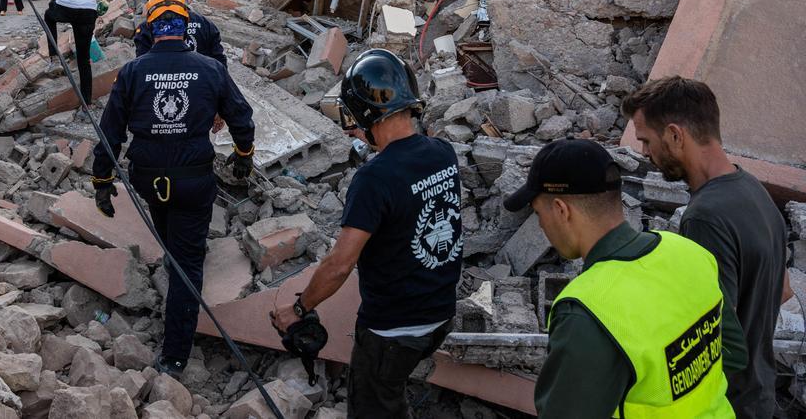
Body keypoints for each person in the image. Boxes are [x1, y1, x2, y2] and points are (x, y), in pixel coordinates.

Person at [271, 49, 462, 419]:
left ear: (368, 113)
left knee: (373, 407)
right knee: (391, 392)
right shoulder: (442, 153)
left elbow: (341, 264)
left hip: (393, 329)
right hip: (440, 314)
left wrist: (299, 309)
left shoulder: (375, 179)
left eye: (355, 119)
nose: (353, 128)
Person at [505, 138, 747, 418]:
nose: (542, 225)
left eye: (538, 213)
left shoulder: (587, 310)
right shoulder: (690, 253)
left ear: (561, 209)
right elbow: (734, 354)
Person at [92, 0, 255, 378]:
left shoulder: (133, 72)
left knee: (170, 231)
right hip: (193, 179)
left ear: (150, 28)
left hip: (149, 178)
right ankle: (176, 354)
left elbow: (111, 131)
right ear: (186, 27)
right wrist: (243, 153)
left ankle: (174, 275)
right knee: (187, 261)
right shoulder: (211, 69)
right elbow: (240, 115)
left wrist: (102, 179)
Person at [623, 77, 787, 418]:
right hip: (760, 396)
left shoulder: (705, 218)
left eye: (646, 141)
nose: (645, 154)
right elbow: (782, 290)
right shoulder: (752, 189)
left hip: (727, 405)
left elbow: (710, 340)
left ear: (674, 135)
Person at [133, 0, 225, 66]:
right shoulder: (205, 24)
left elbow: (142, 68)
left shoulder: (146, 28)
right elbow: (220, 64)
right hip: (202, 79)